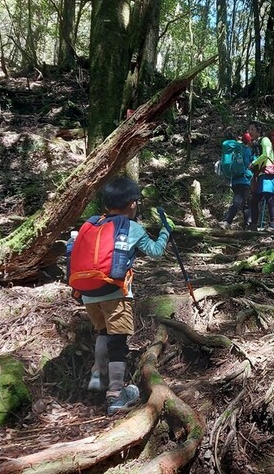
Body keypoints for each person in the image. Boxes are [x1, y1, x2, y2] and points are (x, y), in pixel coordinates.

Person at [79, 176, 174, 415]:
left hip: (88, 292)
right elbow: (155, 252)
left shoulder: (93, 224)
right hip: (115, 291)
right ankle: (116, 394)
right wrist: (166, 231)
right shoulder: (132, 227)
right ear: (132, 203)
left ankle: (97, 379)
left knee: (103, 332)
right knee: (118, 340)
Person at [218, 132, 255, 229]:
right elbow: (248, 164)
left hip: (234, 180)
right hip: (244, 180)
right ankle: (227, 222)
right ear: (250, 141)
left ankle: (249, 225)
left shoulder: (237, 149)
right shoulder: (246, 150)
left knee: (246, 203)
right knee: (237, 202)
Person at [247, 121, 274, 231]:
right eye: (249, 129)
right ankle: (254, 225)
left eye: (252, 129)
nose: (250, 132)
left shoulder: (265, 140)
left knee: (269, 198)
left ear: (258, 131)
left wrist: (254, 163)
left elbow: (265, 155)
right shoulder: (256, 143)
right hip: (260, 175)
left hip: (267, 173)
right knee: (254, 201)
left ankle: (273, 224)